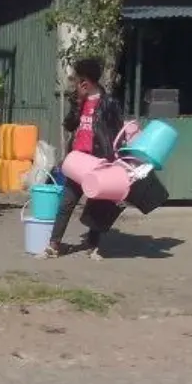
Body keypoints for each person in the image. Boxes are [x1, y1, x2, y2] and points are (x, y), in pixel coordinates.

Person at [46, 58, 126, 260]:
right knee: (66, 203)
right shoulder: (78, 100)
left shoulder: (108, 103)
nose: (74, 84)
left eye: (77, 80)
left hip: (98, 161)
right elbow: (70, 125)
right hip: (79, 162)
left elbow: (119, 133)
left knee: (98, 204)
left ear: (86, 82)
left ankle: (93, 245)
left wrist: (115, 160)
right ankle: (54, 244)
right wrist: (78, 103)